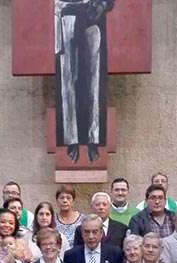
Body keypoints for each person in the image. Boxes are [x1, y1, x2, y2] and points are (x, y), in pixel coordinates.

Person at [55, 0, 113, 163]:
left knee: (95, 81)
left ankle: (93, 139)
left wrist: (101, 5)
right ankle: (71, 140)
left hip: (92, 15)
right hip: (66, 14)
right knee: (67, 80)